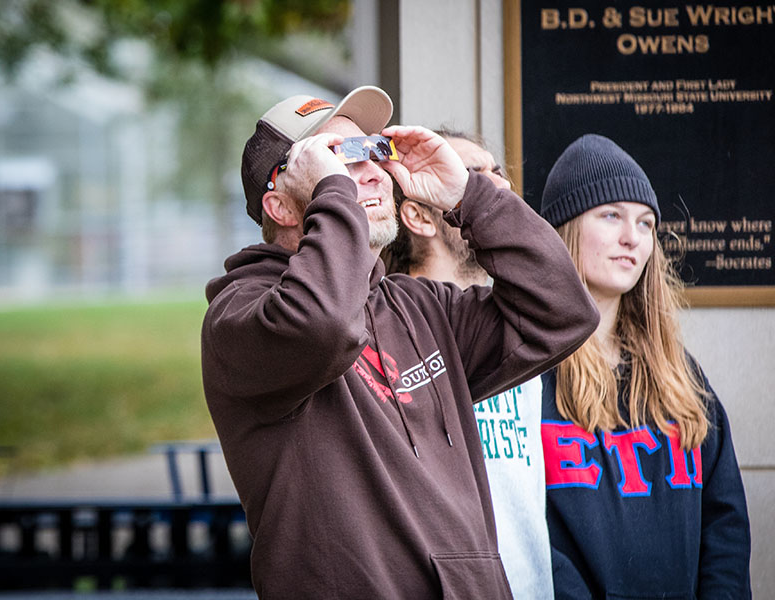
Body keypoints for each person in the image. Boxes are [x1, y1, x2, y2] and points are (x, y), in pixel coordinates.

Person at [200, 86, 600, 599]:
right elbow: (323, 326)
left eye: (373, 149)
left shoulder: (421, 307)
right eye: (335, 158)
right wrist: (336, 196)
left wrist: (469, 197)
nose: (370, 169)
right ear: (279, 204)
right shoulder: (240, 319)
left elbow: (562, 310)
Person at [538, 134, 751, 599]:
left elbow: (725, 524)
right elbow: (529, 536)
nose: (632, 237)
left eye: (646, 222)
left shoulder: (680, 374)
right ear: (566, 228)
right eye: (610, 215)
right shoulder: (528, 371)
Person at [383, 129, 554, 599]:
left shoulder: (518, 325)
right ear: (418, 213)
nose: (494, 189)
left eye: (496, 174)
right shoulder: (388, 336)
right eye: (470, 177)